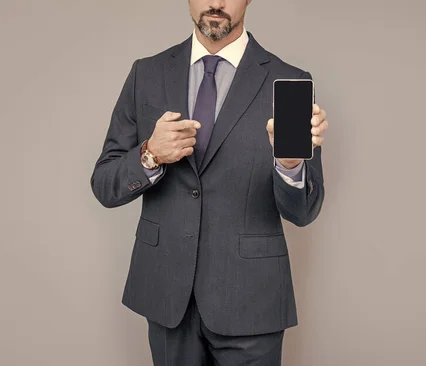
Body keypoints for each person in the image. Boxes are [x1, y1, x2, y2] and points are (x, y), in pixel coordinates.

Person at [90, 0, 328, 364]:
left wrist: (290, 162)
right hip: (167, 295)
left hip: (252, 299)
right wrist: (150, 154)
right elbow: (105, 184)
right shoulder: (147, 73)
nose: (216, 3)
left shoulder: (290, 81)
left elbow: (303, 212)